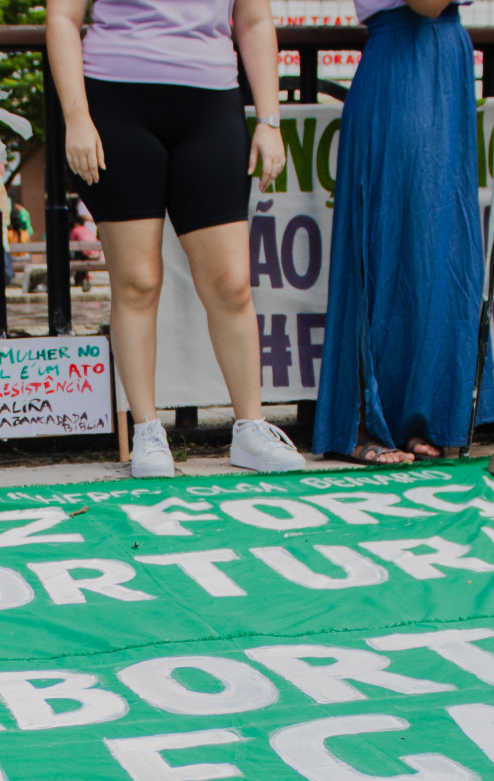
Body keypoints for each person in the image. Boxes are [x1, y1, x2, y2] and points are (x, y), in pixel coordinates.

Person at [46, 0, 305, 477]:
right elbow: (63, 17)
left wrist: (269, 120)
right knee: (137, 282)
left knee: (230, 283)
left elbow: (253, 19)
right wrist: (76, 116)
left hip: (211, 100)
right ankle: (147, 429)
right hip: (116, 100)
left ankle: (250, 427)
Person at [313, 0, 493, 468]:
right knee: (388, 241)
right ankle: (364, 423)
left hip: (444, 59)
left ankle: (424, 417)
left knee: (439, 247)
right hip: (404, 64)